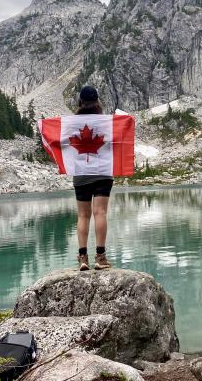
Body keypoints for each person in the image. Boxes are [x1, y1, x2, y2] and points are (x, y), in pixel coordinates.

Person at [73, 86, 113, 271]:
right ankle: (100, 257)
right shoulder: (107, 122)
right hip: (102, 171)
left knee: (83, 215)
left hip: (81, 172)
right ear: (98, 101)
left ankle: (82, 259)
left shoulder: (71, 124)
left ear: (80, 102)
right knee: (100, 213)